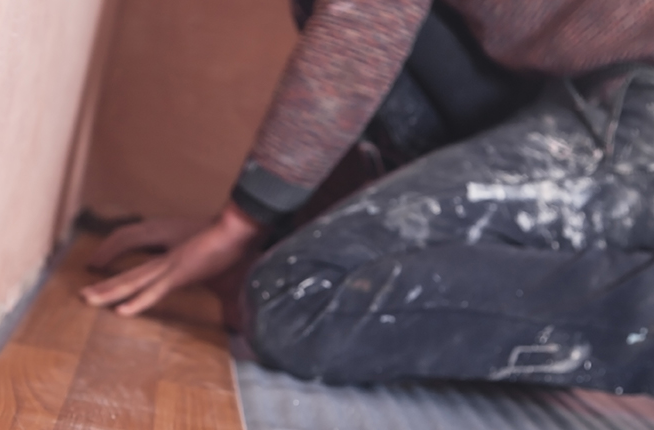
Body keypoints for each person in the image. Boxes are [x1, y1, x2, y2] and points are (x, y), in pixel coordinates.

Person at [81, 0, 654, 395]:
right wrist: (273, 228)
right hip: (570, 85)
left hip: (636, 109)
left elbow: (368, 19)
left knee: (296, 295)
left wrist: (242, 224)